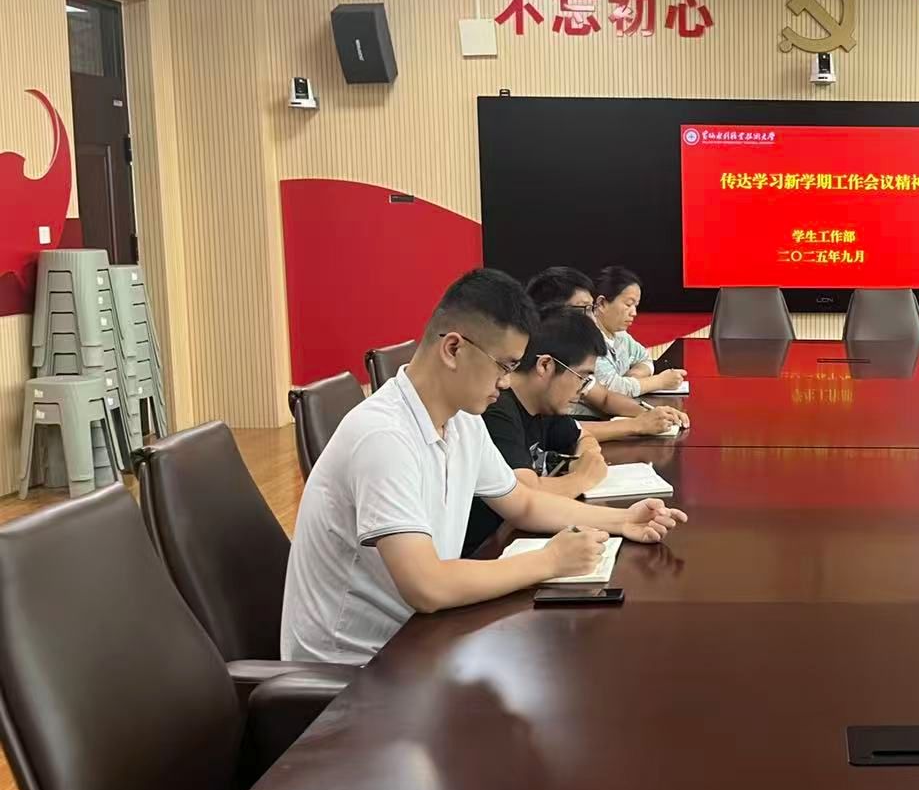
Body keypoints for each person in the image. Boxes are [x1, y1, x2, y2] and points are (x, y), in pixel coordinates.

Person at [281, 268, 687, 666]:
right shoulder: (383, 436)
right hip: (358, 670)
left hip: (421, 639)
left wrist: (622, 520)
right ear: (453, 349)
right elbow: (426, 585)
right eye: (504, 366)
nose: (507, 382)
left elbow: (523, 503)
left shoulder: (462, 419)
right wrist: (550, 561)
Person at [461, 310, 611, 559]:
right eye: (582, 377)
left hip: (512, 537)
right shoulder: (495, 409)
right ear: (545, 365)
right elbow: (526, 493)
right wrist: (583, 477)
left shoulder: (545, 404)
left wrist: (587, 459)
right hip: (484, 551)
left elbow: (584, 437)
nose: (583, 391)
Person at [526, 265, 690, 439]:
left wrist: (652, 413)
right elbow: (563, 432)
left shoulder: (571, 353)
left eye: (591, 308)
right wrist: (636, 425)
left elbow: (604, 398)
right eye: (584, 309)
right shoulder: (528, 365)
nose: (592, 318)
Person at [579, 265, 688, 408]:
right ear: (601, 303)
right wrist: (660, 381)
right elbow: (612, 390)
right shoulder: (586, 337)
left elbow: (644, 358)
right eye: (628, 304)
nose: (634, 313)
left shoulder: (619, 334)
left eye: (636, 306)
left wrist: (635, 376)